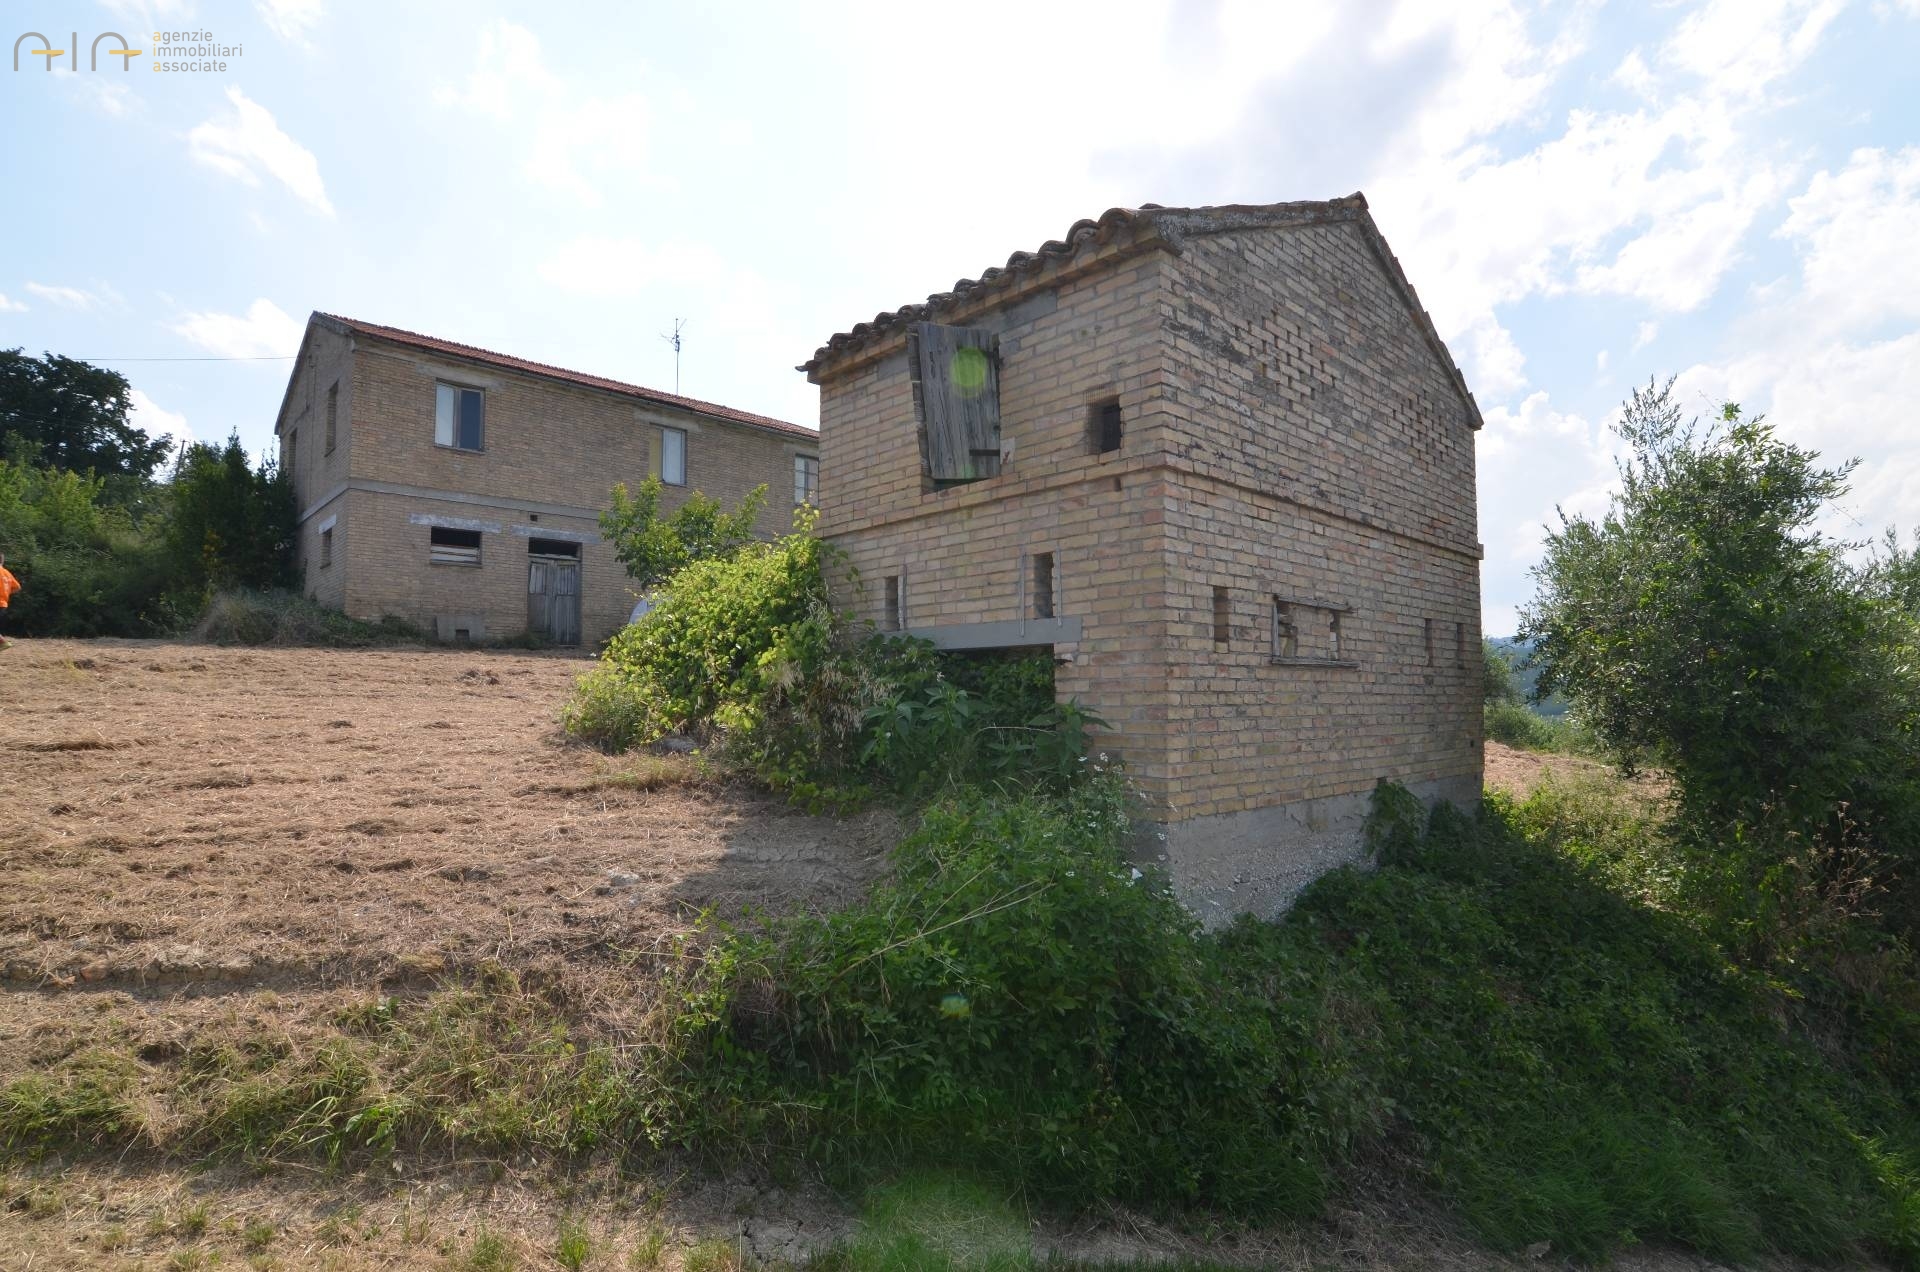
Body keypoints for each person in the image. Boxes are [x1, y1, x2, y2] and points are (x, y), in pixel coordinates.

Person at [0, 552, 18, 651]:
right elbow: (17, 587)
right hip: (4, 604)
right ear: (2, 561)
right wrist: (6, 592)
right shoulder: (6, 572)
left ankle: (4, 642)